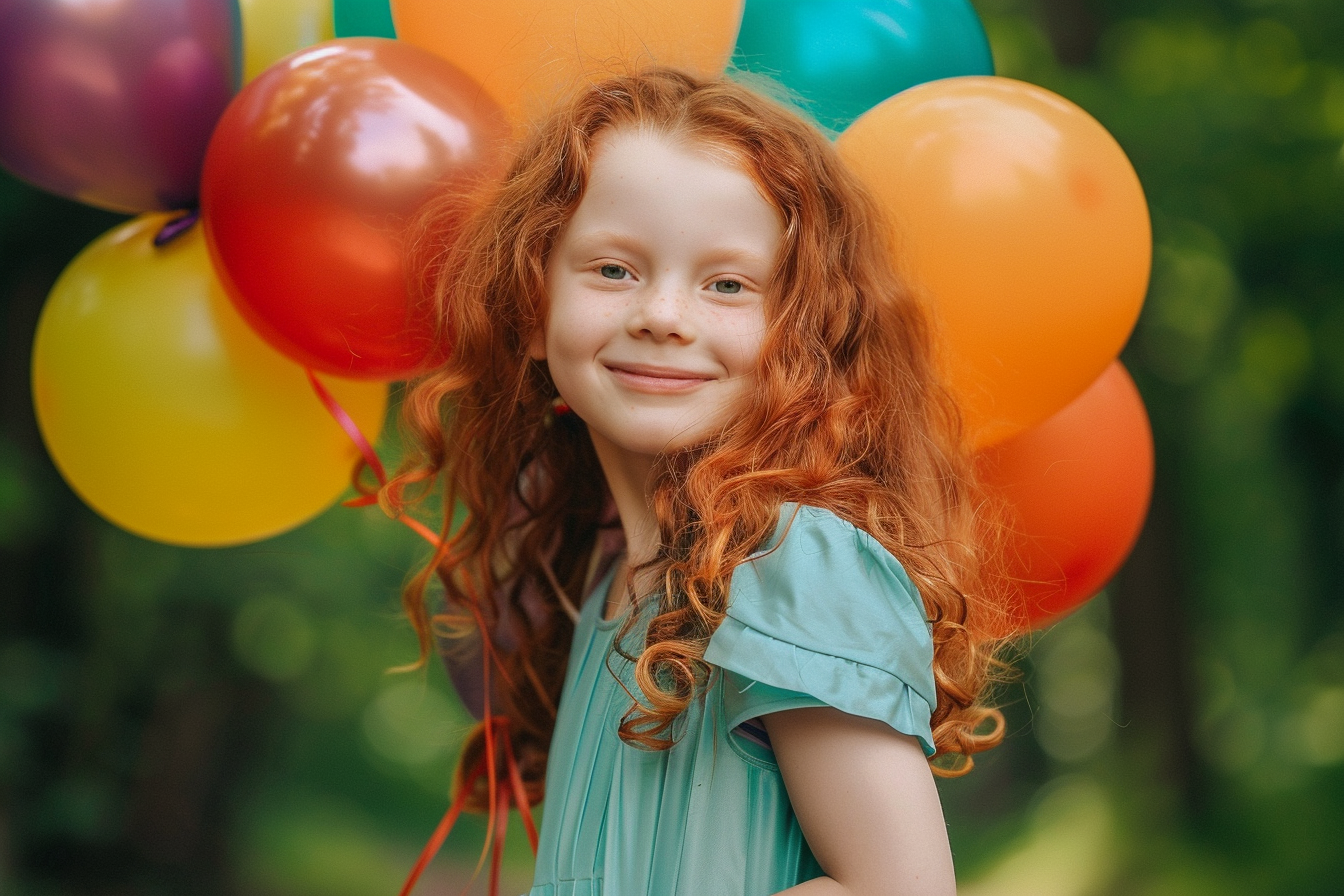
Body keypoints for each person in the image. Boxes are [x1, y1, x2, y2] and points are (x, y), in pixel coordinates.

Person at [383, 66, 1012, 896]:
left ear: (800, 340)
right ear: (532, 311)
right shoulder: (615, 587)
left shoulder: (793, 563)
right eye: (613, 270)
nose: (663, 314)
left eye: (726, 285)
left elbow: (898, 888)